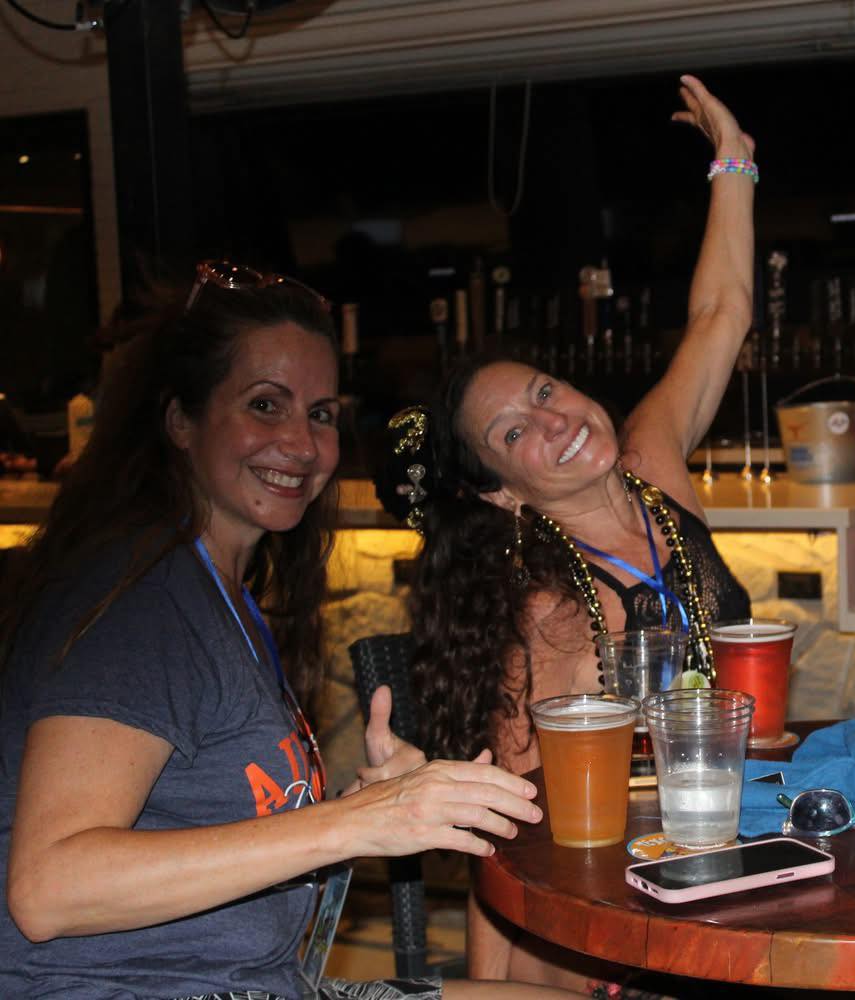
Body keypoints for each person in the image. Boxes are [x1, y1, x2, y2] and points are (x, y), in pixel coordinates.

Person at [0, 262, 568, 1000]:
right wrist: (357, 822)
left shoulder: (220, 594)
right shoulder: (139, 601)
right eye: (265, 405)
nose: (301, 443)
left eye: (321, 414)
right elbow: (50, 888)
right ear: (180, 421)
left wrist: (358, 806)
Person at [374, 75, 754, 987]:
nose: (554, 422)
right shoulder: (542, 618)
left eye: (544, 392)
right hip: (619, 926)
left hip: (734, 862)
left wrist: (734, 162)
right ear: (504, 493)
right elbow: (509, 843)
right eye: (515, 435)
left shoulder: (654, 469)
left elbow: (720, 316)